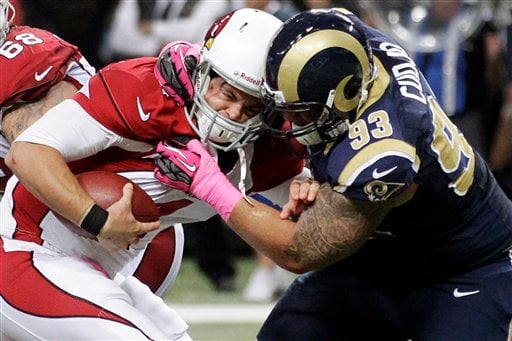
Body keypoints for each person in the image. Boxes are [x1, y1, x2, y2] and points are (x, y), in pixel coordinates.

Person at [155, 8, 512, 339]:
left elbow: (300, 251)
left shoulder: (384, 151)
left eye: (301, 112)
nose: (289, 122)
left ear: (344, 99)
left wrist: (210, 184)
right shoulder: (340, 37)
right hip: (376, 256)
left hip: (460, 267)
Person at [2, 8, 308, 339]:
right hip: (28, 247)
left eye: (252, 107)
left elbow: (298, 245)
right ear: (203, 71)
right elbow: (30, 150)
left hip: (118, 253)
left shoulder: (269, 145)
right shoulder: (142, 90)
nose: (234, 114)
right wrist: (96, 220)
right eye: (228, 94)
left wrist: (315, 190)